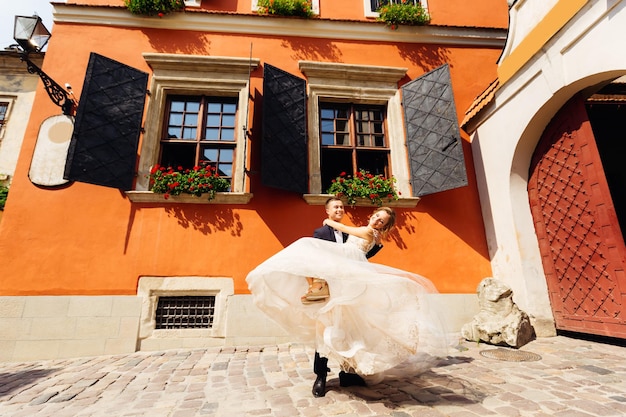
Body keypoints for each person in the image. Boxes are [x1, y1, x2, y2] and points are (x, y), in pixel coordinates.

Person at [245, 207, 448, 398]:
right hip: (339, 279)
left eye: (382, 221)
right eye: (377, 215)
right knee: (325, 324)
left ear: (383, 226)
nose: (377, 220)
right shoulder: (365, 237)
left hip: (350, 282)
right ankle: (321, 375)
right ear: (373, 214)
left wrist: (328, 220)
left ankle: (348, 373)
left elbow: (343, 230)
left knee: (349, 328)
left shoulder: (367, 232)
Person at [303, 197, 382, 303]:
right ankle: (316, 288)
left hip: (347, 278)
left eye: (341, 207)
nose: (339, 209)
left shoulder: (349, 233)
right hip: (330, 276)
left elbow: (360, 256)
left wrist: (377, 245)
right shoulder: (320, 232)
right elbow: (317, 256)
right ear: (328, 211)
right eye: (336, 207)